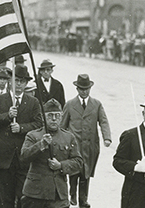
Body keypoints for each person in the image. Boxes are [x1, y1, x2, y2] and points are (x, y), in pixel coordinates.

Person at [0, 65, 43, 208]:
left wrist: (22, 128)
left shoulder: (33, 102)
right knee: (5, 202)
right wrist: (7, 116)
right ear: (10, 81)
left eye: (22, 81)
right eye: (16, 80)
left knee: (24, 200)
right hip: (2, 160)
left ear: (26, 83)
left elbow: (39, 124)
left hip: (23, 160)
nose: (18, 84)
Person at [20, 98, 83, 208]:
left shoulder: (69, 137)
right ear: (43, 117)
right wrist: (41, 145)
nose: (54, 119)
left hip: (58, 195)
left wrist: (61, 165)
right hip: (35, 194)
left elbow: (78, 162)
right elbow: (24, 157)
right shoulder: (33, 135)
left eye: (57, 115)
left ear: (61, 117)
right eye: (50, 115)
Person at [60, 74, 111, 208]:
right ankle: (72, 194)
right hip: (73, 145)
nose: (84, 91)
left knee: (85, 173)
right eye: (81, 89)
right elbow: (62, 125)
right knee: (73, 171)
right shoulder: (70, 104)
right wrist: (60, 140)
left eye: (86, 89)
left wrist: (107, 138)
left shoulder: (97, 104)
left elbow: (103, 121)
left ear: (90, 88)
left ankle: (83, 199)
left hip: (90, 145)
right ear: (77, 89)